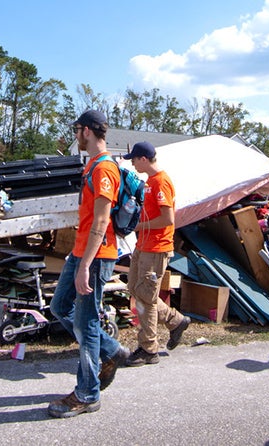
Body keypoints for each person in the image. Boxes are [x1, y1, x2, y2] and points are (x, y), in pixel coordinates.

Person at [47, 110, 130, 418]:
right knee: (59, 307)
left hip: (95, 256)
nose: (75, 136)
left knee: (86, 323)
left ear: (88, 131)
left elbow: (102, 219)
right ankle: (110, 350)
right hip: (82, 253)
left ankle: (87, 394)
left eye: (77, 130)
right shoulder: (92, 165)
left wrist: (85, 264)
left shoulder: (104, 168)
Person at [122, 141, 190, 367]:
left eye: (133, 159)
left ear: (143, 158)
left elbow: (168, 218)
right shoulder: (149, 182)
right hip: (143, 245)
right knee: (135, 289)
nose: (132, 163)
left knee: (147, 298)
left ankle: (148, 348)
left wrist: (139, 227)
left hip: (157, 248)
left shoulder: (161, 182)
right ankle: (175, 321)